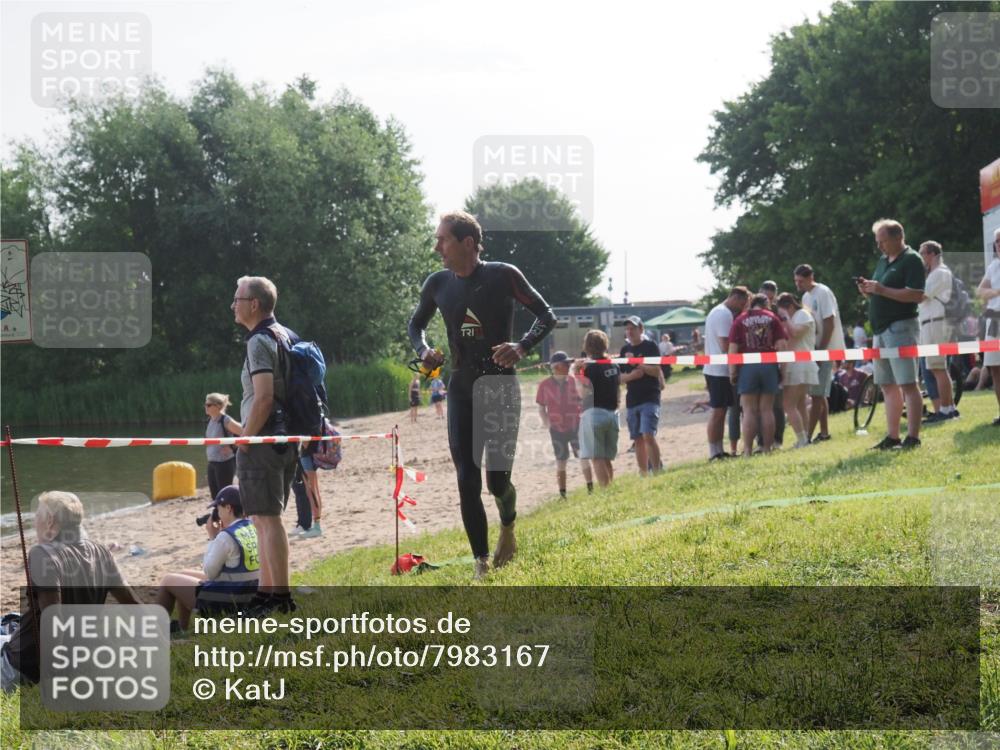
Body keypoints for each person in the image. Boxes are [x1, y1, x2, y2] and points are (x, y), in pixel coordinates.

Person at [408, 211, 556, 578]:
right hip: (461, 387)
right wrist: (424, 350)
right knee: (466, 478)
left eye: (443, 239)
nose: (436, 246)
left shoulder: (503, 275)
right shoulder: (437, 283)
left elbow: (546, 315)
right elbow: (416, 325)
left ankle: (508, 522)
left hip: (500, 387)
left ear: (467, 243)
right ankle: (481, 562)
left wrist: (521, 346)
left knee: (497, 481)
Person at [1, 491, 139, 691]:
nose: (34, 523)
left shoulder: (43, 555)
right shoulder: (101, 551)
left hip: (25, 665)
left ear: (50, 521)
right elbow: (132, 603)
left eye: (37, 517)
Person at [232, 275, 298, 614]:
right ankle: (266, 593)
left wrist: (244, 439)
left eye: (237, 299)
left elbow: (264, 398)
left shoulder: (258, 340)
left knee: (269, 520)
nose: (233, 305)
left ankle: (280, 598)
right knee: (262, 518)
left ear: (254, 304)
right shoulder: (285, 334)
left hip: (263, 440)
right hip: (286, 439)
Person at [856, 219, 926, 450]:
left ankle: (913, 437)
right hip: (880, 330)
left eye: (883, 241)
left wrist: (881, 289)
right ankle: (893, 436)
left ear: (898, 238)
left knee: (908, 383)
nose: (880, 247)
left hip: (901, 327)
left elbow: (916, 295)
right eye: (878, 242)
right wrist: (869, 291)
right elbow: (881, 294)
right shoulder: (883, 261)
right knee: (886, 385)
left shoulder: (912, 259)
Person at [156, 485, 260, 631]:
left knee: (168, 579)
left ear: (228, 508)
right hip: (251, 593)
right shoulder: (253, 527)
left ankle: (156, 631)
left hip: (232, 600)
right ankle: (181, 628)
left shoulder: (225, 537)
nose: (217, 513)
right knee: (182, 574)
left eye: (218, 508)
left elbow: (210, 572)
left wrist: (213, 537)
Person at [728, 293, 789, 456]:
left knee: (748, 410)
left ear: (750, 303)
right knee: (767, 410)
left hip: (748, 366)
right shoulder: (773, 318)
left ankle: (747, 450)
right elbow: (782, 346)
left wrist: (732, 371)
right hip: (769, 365)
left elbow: (733, 348)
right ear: (766, 304)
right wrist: (783, 371)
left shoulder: (740, 319)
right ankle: (767, 448)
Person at [793, 264, 845, 443]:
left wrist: (822, 352)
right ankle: (824, 433)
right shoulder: (806, 296)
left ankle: (807, 435)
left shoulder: (822, 292)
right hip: (815, 349)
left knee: (816, 394)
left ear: (810, 277)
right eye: (796, 281)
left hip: (825, 349)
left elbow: (829, 322)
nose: (797, 284)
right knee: (819, 392)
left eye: (800, 281)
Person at [536, 351, 593, 498]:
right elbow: (541, 408)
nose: (569, 366)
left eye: (569, 363)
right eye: (566, 363)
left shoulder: (574, 380)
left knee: (583, 456)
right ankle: (563, 494)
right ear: (557, 366)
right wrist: (547, 423)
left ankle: (591, 489)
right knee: (561, 461)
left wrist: (579, 373)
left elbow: (584, 395)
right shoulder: (544, 385)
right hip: (556, 429)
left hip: (575, 425)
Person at [703, 286, 751, 460]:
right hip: (719, 370)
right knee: (718, 411)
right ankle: (714, 452)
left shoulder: (717, 311)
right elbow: (726, 345)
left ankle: (718, 450)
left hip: (715, 368)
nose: (742, 308)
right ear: (736, 298)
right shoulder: (724, 314)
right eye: (743, 303)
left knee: (720, 411)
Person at [572, 330, 621, 487]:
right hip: (612, 414)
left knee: (596, 457)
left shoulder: (589, 368)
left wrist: (576, 372)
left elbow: (583, 392)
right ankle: (611, 487)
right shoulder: (614, 364)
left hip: (594, 414)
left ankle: (606, 492)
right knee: (606, 457)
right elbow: (618, 388)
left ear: (587, 346)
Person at [917, 241, 958, 423]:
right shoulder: (936, 273)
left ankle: (946, 410)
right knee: (938, 368)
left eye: (923, 253)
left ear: (932, 254)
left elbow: (921, 296)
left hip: (935, 321)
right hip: (931, 321)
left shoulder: (939, 273)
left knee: (938, 368)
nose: (921, 257)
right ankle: (948, 408)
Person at [619, 316, 664, 476]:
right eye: (628, 329)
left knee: (648, 435)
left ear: (641, 330)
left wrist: (638, 363)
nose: (630, 331)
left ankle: (657, 471)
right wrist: (631, 376)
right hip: (632, 399)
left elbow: (656, 371)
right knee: (637, 439)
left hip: (650, 397)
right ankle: (643, 473)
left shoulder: (650, 346)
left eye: (633, 328)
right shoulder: (624, 350)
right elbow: (620, 378)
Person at [775, 293, 819, 448]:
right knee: (800, 404)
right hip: (795, 364)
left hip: (800, 364)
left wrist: (785, 317)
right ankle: (805, 438)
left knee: (788, 405)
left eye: (783, 311)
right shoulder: (796, 316)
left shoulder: (802, 315)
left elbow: (795, 333)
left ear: (790, 307)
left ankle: (802, 439)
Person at [976, 227, 1000, 426]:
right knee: (994, 367)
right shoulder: (993, 266)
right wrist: (997, 292)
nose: (999, 244)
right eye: (998, 241)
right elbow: (980, 291)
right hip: (994, 320)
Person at [758, 281, 786, 448]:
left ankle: (777, 440)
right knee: (759, 406)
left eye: (770, 297)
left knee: (776, 405)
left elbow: (783, 339)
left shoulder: (778, 313)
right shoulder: (751, 312)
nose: (768, 301)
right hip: (756, 362)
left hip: (775, 361)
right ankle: (761, 441)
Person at [204, 392, 243, 502]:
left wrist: (232, 446)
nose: (205, 407)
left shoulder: (225, 420)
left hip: (224, 463)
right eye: (205, 404)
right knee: (215, 497)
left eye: (208, 405)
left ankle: (229, 518)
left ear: (218, 406)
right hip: (212, 462)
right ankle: (218, 518)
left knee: (224, 496)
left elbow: (245, 432)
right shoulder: (209, 421)